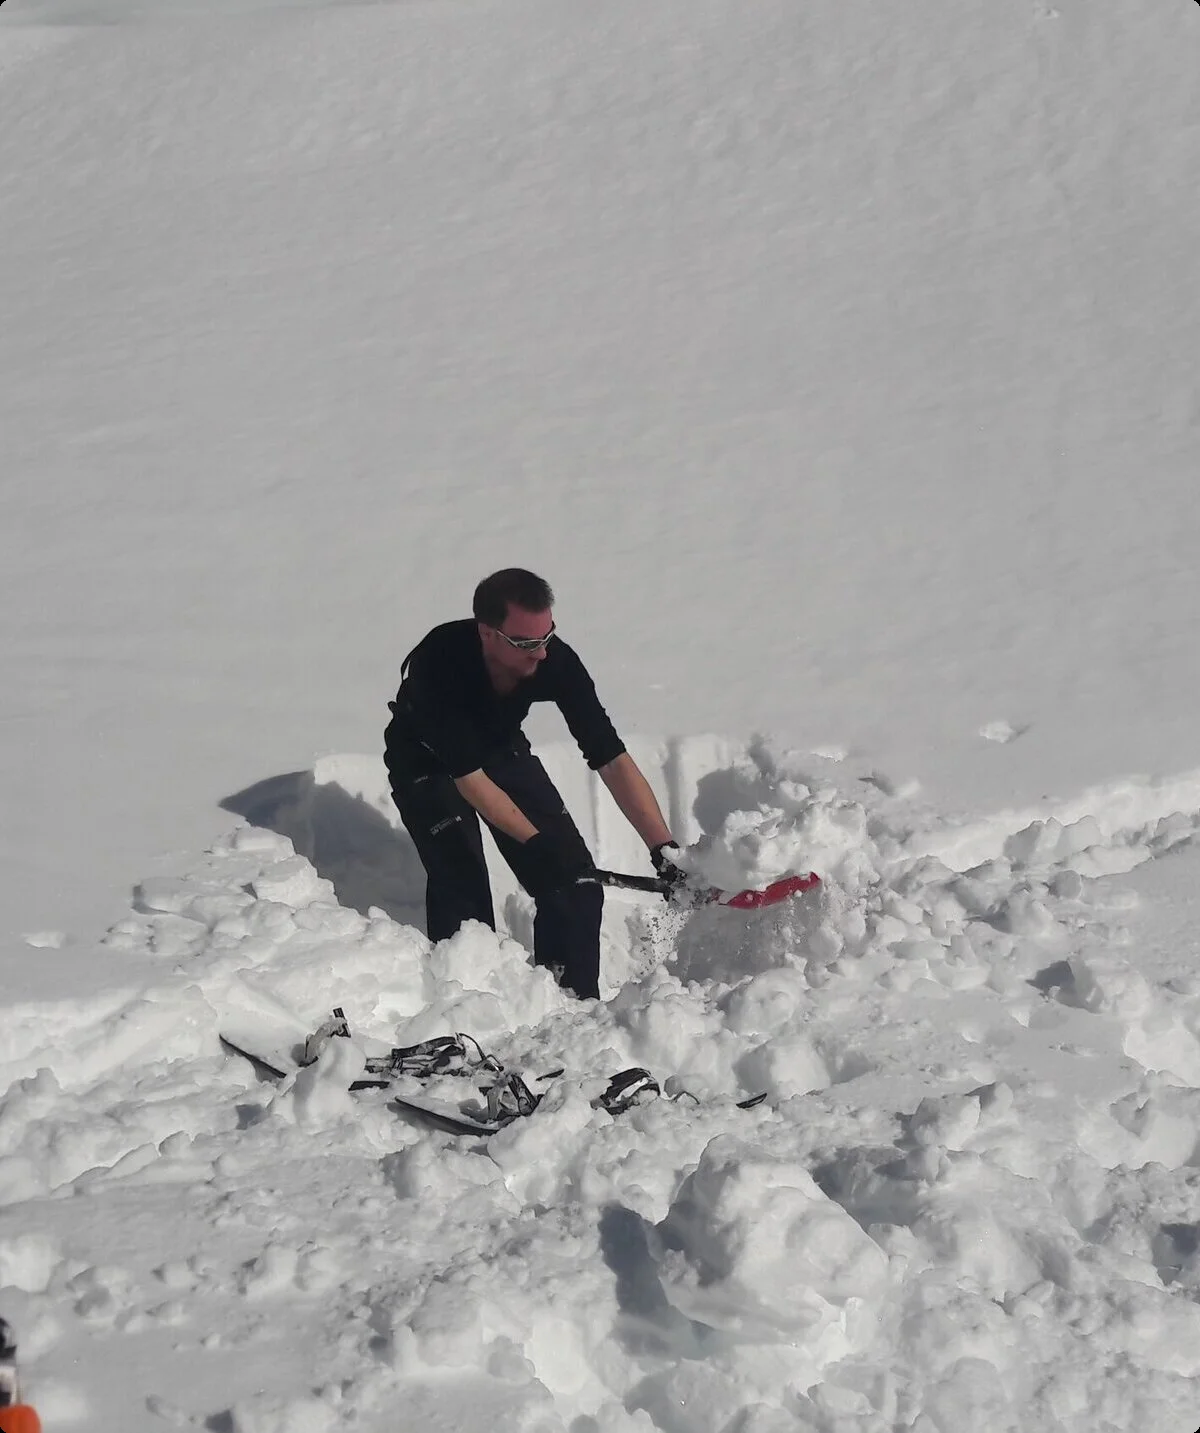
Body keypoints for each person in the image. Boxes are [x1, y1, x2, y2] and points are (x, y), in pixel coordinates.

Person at [384, 568, 681, 999]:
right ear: (488, 633)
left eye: (548, 636)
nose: (541, 653)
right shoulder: (440, 662)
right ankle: (471, 1012)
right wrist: (536, 845)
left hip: (497, 748)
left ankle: (571, 1014)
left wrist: (663, 848)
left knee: (576, 885)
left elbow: (611, 758)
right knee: (463, 894)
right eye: (526, 643)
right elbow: (468, 781)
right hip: (425, 762)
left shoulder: (554, 660)